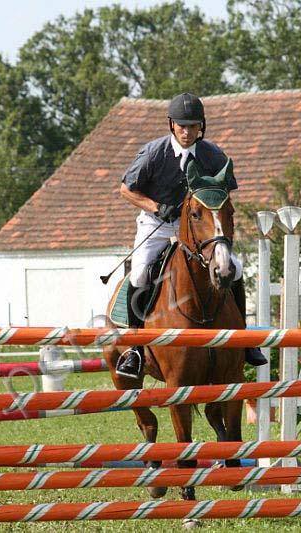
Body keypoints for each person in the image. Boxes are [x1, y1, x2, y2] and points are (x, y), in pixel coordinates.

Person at [115, 92, 267, 378]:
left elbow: (223, 195)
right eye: (182, 126)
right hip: (158, 223)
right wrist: (157, 207)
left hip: (200, 227)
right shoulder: (153, 153)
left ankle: (245, 339)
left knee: (234, 269)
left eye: (193, 126)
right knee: (141, 272)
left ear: (201, 127)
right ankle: (135, 348)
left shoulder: (214, 155)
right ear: (172, 125)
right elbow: (126, 190)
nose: (187, 132)